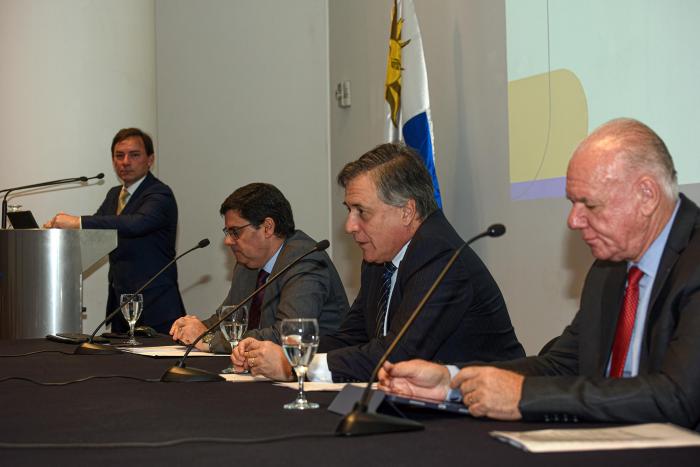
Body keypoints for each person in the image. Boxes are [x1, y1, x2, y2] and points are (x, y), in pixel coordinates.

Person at [378, 119, 700, 430]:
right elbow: (559, 365)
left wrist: (524, 396)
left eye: (589, 205)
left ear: (646, 196)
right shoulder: (609, 271)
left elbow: (678, 397)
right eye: (572, 203)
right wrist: (453, 381)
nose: (573, 221)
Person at [232, 143, 524, 381]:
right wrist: (285, 350)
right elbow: (351, 338)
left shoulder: (442, 258)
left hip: (486, 415)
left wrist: (297, 367)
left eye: (362, 211)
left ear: (407, 211)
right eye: (349, 210)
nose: (349, 226)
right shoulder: (379, 258)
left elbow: (397, 354)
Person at [169, 183, 348, 352]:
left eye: (235, 232)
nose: (228, 241)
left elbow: (288, 336)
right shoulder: (247, 264)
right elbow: (228, 320)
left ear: (267, 227)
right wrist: (193, 328)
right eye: (227, 233)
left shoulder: (306, 261)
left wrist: (207, 339)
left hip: (315, 375)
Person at [44, 128, 184, 333]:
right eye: (119, 155)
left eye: (134, 155)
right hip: (120, 304)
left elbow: (136, 224)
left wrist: (77, 221)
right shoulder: (113, 195)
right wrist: (57, 232)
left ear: (150, 159)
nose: (125, 161)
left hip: (156, 305)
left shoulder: (159, 193)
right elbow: (96, 231)